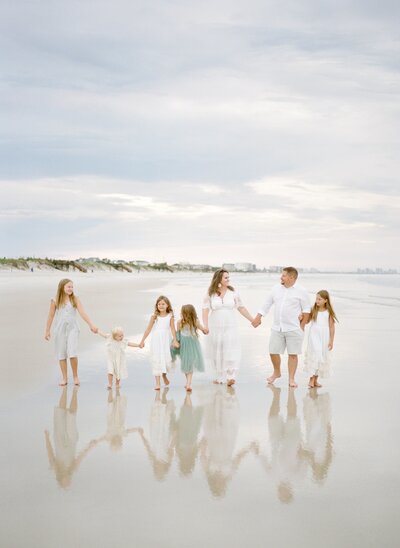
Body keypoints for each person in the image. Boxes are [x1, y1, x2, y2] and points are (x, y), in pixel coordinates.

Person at [252, 267, 311, 388]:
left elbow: (306, 310)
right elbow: (267, 303)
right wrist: (258, 317)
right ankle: (277, 372)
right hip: (277, 328)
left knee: (293, 354)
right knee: (273, 352)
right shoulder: (276, 289)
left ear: (292, 277)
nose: (281, 277)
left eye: (284, 275)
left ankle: (291, 379)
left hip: (294, 328)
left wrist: (302, 327)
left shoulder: (301, 291)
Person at [202, 269, 254, 386]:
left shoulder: (233, 293)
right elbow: (205, 310)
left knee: (230, 349)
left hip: (230, 326)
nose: (228, 279)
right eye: (226, 277)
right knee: (217, 351)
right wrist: (205, 325)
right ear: (219, 279)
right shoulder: (210, 293)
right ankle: (220, 377)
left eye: (228, 277)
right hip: (215, 326)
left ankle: (231, 376)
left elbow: (241, 307)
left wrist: (252, 320)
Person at [45, 278, 98, 386]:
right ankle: (64, 378)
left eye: (72, 287)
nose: (71, 289)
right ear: (62, 287)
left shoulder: (75, 299)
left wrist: (91, 325)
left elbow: (83, 313)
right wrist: (47, 330)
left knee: (72, 352)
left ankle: (75, 376)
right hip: (60, 330)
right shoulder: (55, 300)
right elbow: (50, 316)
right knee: (61, 354)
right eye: (68, 287)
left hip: (73, 329)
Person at [140, 295, 179, 390]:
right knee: (157, 359)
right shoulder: (154, 317)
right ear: (156, 305)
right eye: (159, 304)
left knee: (165, 359)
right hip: (156, 340)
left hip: (166, 339)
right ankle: (157, 383)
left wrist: (175, 340)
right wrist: (142, 340)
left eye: (163, 304)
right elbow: (148, 329)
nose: (161, 305)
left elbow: (173, 329)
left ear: (167, 305)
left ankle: (164, 375)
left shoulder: (170, 316)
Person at [304, 290, 338, 388]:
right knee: (315, 354)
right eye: (316, 299)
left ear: (325, 300)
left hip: (325, 336)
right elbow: (307, 321)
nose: (317, 301)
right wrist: (302, 317)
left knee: (322, 356)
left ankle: (315, 380)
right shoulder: (313, 310)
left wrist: (331, 341)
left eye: (319, 299)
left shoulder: (329, 312)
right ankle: (311, 380)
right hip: (314, 335)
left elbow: (332, 327)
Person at [172, 304, 206, 391]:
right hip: (183, 345)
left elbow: (203, 329)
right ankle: (188, 382)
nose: (181, 314)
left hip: (193, 345)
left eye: (183, 313)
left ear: (189, 314)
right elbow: (178, 334)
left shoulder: (195, 321)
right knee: (185, 363)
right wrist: (176, 343)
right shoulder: (179, 322)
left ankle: (188, 383)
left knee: (190, 363)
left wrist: (205, 330)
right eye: (181, 313)